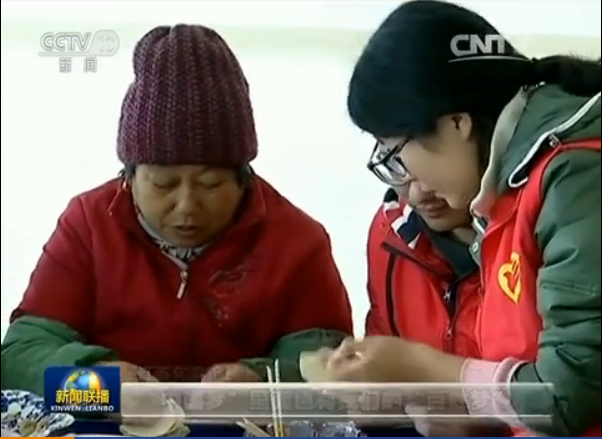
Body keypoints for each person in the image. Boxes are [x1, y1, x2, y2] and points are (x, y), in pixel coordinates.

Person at [0, 24, 353, 396]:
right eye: (163, 184)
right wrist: (97, 387)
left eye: (210, 184)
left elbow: (334, 368)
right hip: (111, 419)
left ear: (244, 177)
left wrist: (260, 383)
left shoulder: (297, 241)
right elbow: (19, 360)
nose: (187, 206)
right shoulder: (88, 225)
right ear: (129, 176)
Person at [323, 0, 600, 437]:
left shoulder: (574, 177)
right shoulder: (506, 192)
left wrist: (419, 365)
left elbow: (565, 396)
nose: (406, 182)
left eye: (396, 153)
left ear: (457, 123)